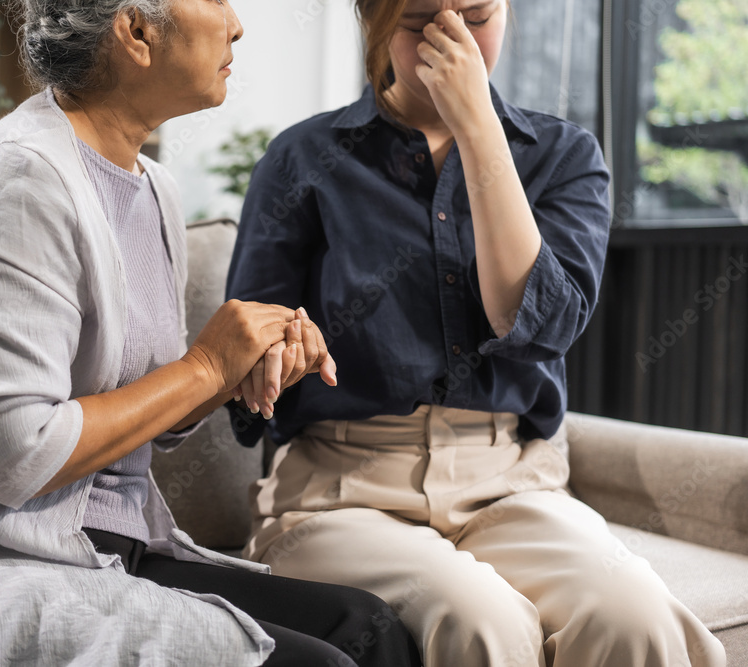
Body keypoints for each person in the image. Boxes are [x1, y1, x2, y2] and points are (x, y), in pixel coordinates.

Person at [0, 1, 423, 665]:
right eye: (216, 0)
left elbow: (138, 405)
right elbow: (15, 457)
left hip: (107, 544)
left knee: (371, 627)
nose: (237, 24)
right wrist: (203, 367)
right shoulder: (16, 179)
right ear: (134, 30)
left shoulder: (152, 188)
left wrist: (235, 369)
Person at [225, 1, 727, 665]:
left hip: (511, 482)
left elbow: (538, 324)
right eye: (421, 19)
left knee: (632, 614)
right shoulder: (302, 159)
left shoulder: (562, 156)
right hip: (344, 490)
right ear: (374, 22)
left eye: (477, 13)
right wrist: (274, 356)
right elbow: (241, 367)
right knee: (480, 619)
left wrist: (478, 127)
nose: (453, 37)